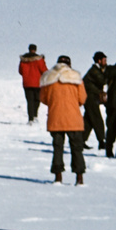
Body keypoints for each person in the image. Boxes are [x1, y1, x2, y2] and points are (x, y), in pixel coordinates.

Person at [39, 55, 87, 184]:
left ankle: (58, 177)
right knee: (77, 148)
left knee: (58, 148)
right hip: (74, 119)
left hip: (56, 118)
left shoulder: (48, 78)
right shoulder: (76, 78)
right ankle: (79, 177)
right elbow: (82, 98)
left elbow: (43, 98)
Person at [81, 52, 109, 151]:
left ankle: (81, 141)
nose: (106, 62)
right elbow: (103, 80)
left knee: (89, 120)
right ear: (99, 61)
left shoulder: (97, 70)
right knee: (96, 118)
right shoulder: (94, 71)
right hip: (90, 98)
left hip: (91, 97)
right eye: (104, 60)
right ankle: (102, 141)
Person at [18, 44, 47, 124]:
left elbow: (20, 71)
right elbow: (44, 70)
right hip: (37, 83)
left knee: (29, 101)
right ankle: (35, 115)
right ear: (35, 49)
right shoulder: (39, 59)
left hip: (27, 83)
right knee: (37, 100)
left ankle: (30, 118)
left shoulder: (23, 60)